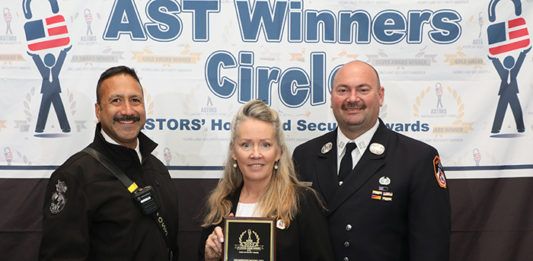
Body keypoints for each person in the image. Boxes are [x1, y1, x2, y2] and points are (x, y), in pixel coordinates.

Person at [293, 60, 450, 261]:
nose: (352, 98)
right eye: (342, 90)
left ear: (380, 95)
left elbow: (431, 248)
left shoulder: (417, 159)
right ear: (331, 97)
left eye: (363, 89)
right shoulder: (304, 156)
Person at [39, 66, 180, 261]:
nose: (128, 111)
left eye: (135, 100)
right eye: (116, 101)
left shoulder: (158, 169)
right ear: (98, 110)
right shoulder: (74, 176)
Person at [198, 100, 334, 261]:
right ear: (233, 151)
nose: (255, 154)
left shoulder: (302, 202)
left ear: (278, 152)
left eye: (265, 145)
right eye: (246, 145)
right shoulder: (221, 206)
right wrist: (210, 257)